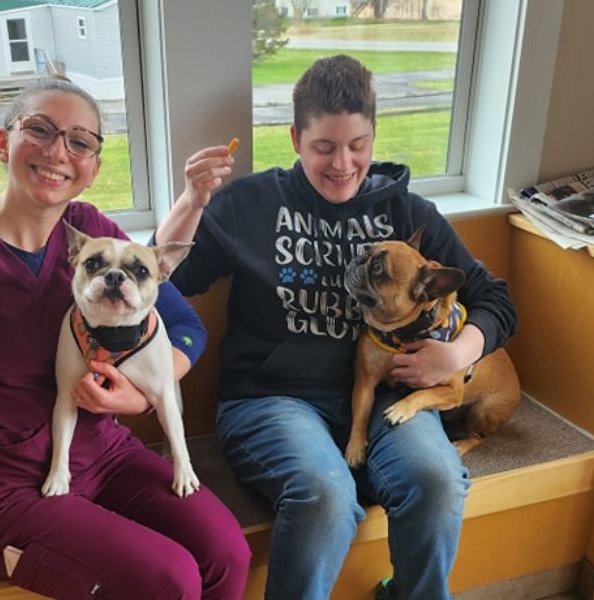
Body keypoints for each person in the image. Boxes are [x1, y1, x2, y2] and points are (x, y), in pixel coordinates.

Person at [154, 55, 517, 600]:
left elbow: (495, 300)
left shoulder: (405, 210)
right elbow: (163, 279)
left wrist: (458, 353)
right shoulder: (251, 202)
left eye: (358, 145)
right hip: (270, 399)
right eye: (324, 146)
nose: (343, 164)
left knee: (437, 482)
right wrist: (190, 203)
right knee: (324, 496)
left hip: (389, 397)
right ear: (296, 137)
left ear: (373, 137)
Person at [0, 78, 250, 600]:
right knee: (170, 578)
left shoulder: (90, 231)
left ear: (93, 166)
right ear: (2, 142)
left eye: (80, 141)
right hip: (3, 487)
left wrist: (144, 392)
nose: (58, 150)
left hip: (103, 453)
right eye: (39, 129)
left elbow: (186, 329)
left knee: (227, 553)